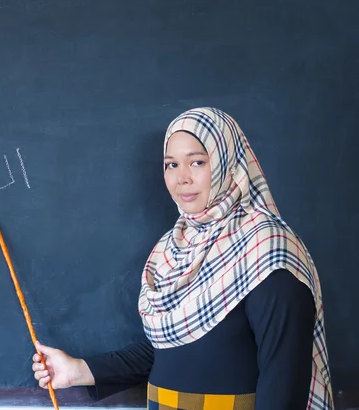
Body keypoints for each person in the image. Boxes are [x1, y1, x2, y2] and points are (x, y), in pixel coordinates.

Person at [32, 108, 333, 410]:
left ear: (228, 164)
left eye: (198, 162)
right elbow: (170, 348)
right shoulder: (172, 249)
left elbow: (284, 381)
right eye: (171, 164)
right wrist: (78, 371)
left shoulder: (267, 250)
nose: (182, 178)